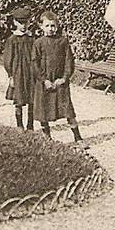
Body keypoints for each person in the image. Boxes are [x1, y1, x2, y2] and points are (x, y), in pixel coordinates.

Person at [33, 11, 87, 148]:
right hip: (45, 83)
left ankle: (78, 137)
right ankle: (47, 137)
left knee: (68, 110)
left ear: (57, 26)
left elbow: (69, 61)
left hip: (60, 82)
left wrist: (64, 78)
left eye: (53, 26)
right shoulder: (38, 43)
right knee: (44, 110)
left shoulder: (63, 41)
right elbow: (35, 64)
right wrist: (44, 80)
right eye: (47, 26)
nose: (50, 29)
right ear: (41, 27)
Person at [2, 7, 35, 130]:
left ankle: (30, 125)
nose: (23, 25)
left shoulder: (31, 38)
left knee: (32, 99)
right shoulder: (12, 40)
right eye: (20, 22)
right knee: (19, 99)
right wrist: (11, 75)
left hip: (31, 73)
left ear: (29, 22)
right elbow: (7, 59)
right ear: (15, 22)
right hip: (18, 73)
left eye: (26, 22)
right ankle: (19, 125)